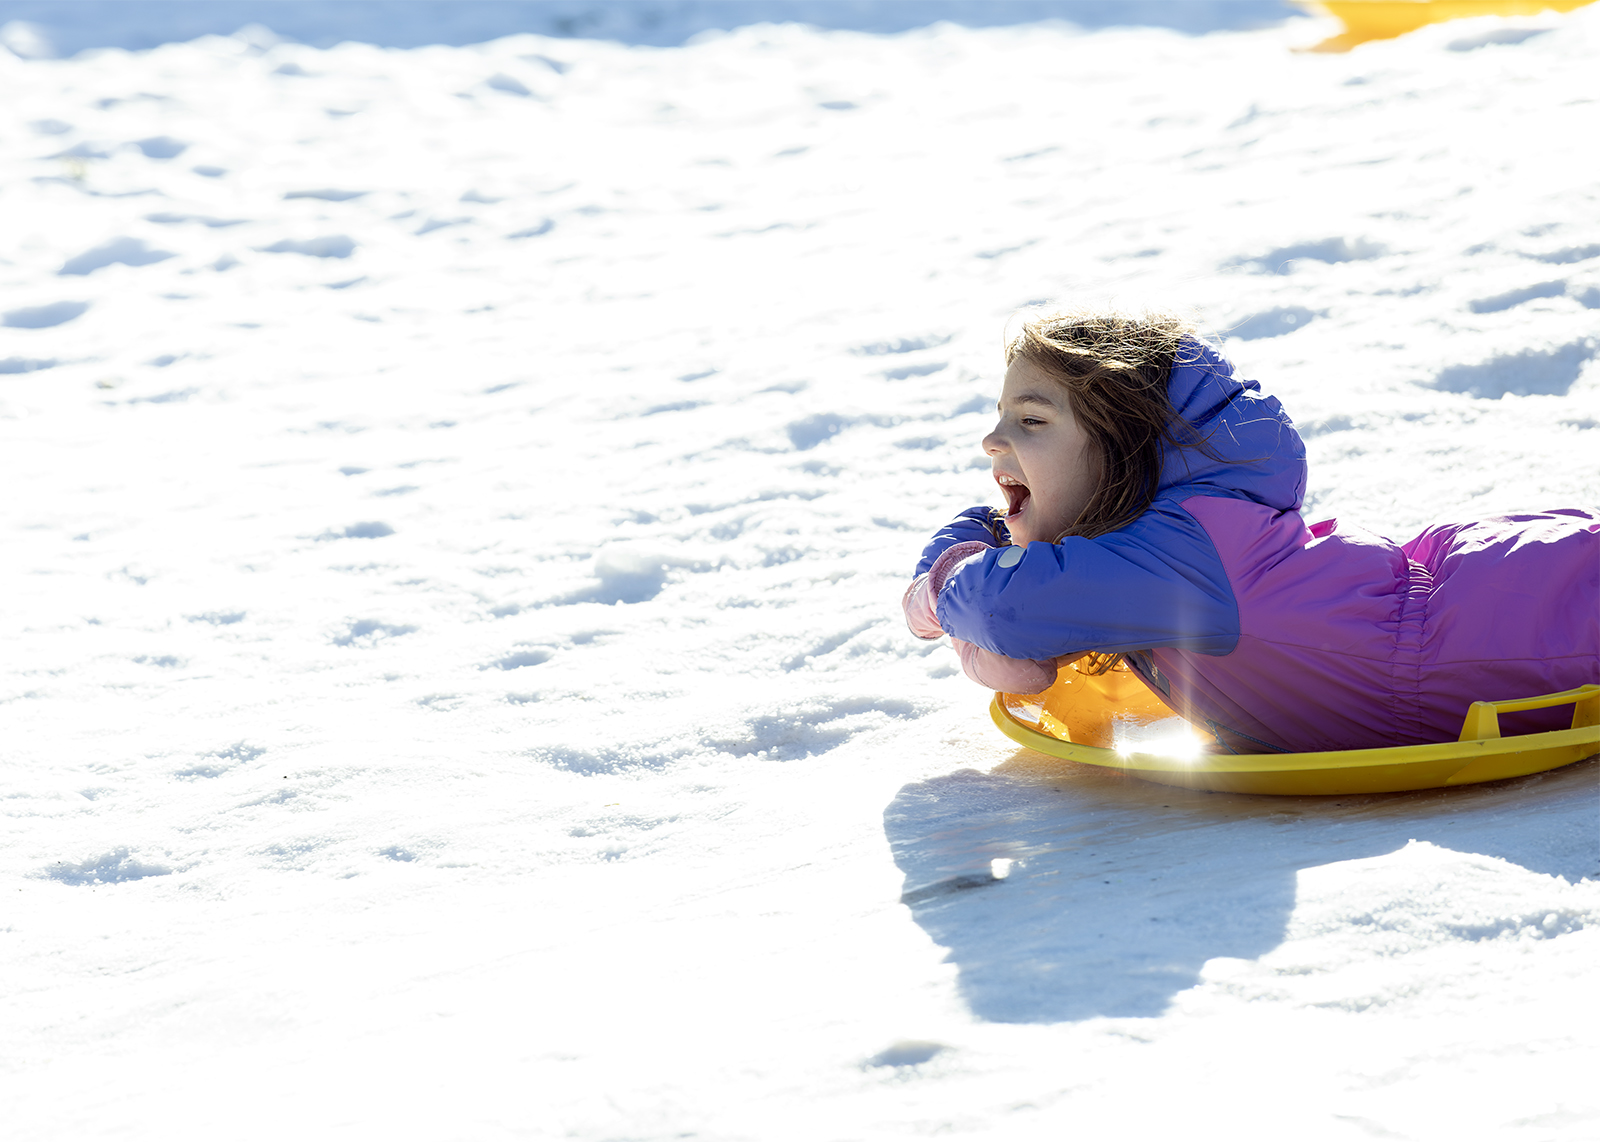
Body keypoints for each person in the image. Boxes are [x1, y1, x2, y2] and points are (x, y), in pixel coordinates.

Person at [903, 309, 1599, 752]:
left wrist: (943, 581)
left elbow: (1004, 610)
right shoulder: (1158, 554)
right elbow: (1020, 647)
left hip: (1511, 628)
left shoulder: (1177, 560)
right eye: (1000, 416)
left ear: (1130, 451)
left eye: (1031, 421)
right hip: (1471, 600)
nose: (993, 440)